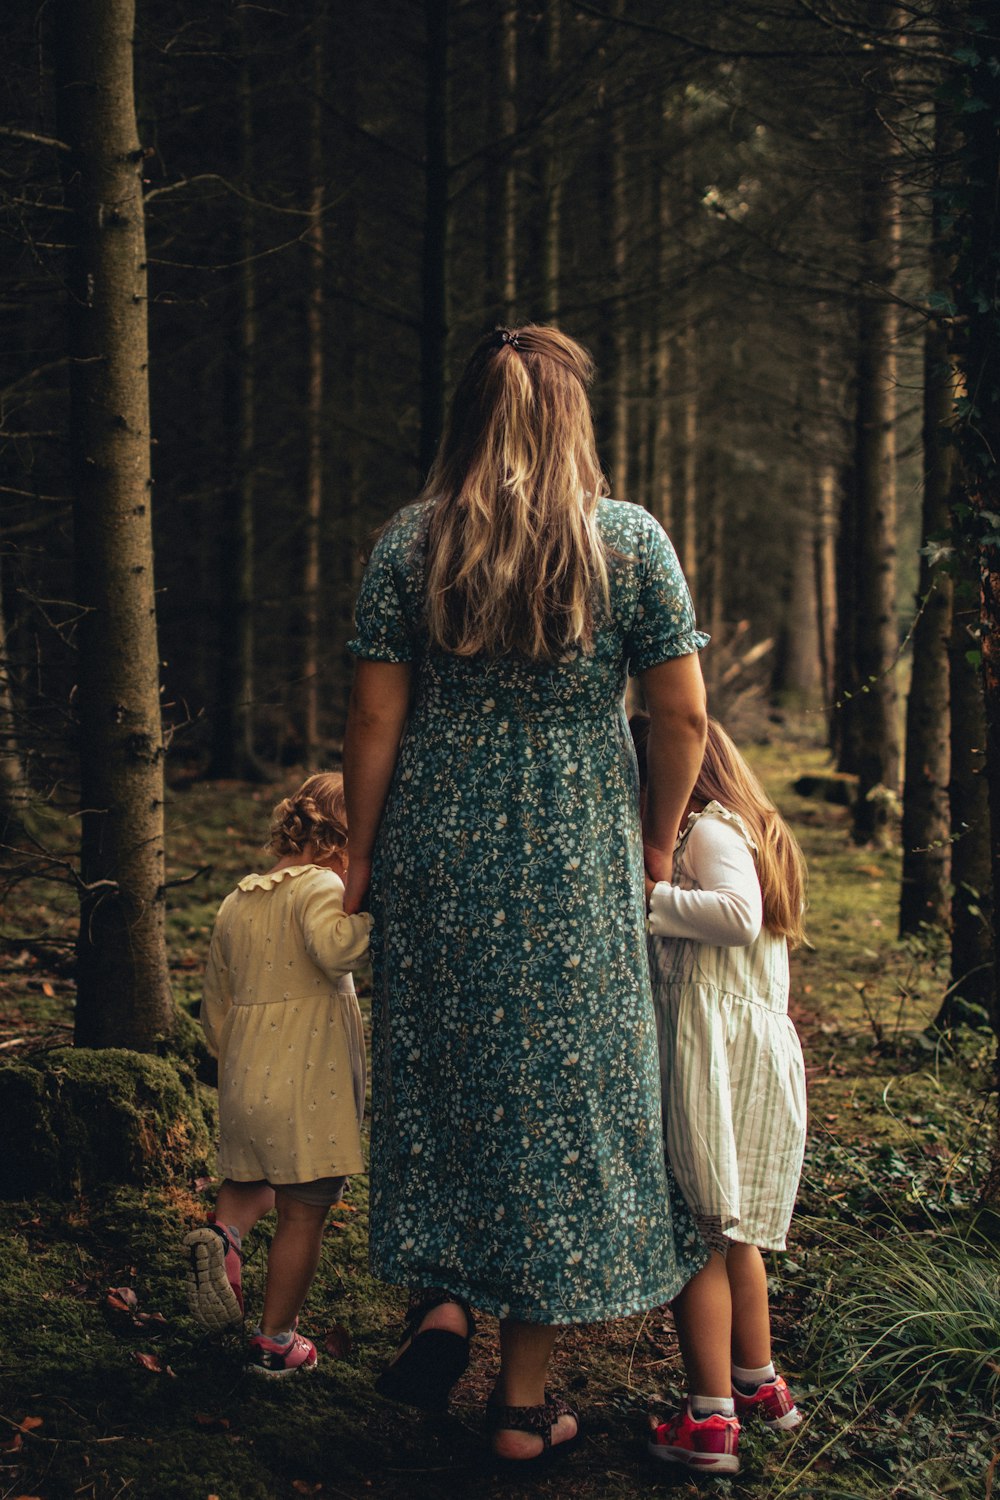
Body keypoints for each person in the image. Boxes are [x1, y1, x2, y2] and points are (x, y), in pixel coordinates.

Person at [342, 324, 709, 1469]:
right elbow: (683, 715)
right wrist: (655, 842)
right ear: (571, 422)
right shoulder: (628, 545)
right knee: (555, 1111)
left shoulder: (407, 546)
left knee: (447, 1080)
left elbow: (373, 719)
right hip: (571, 857)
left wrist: (360, 854)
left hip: (438, 848)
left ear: (468, 418)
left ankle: (442, 1305)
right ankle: (519, 1404)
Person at [631, 714, 807, 1477]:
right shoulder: (748, 826)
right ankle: (757, 1382)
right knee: (732, 1232)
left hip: (718, 1055)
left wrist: (650, 897)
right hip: (742, 1047)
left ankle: (709, 1421)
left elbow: (736, 919)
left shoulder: (707, 829)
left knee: (696, 1232)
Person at [183, 773, 371, 1377]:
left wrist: (237, 1058)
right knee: (304, 1209)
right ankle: (276, 1340)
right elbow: (336, 952)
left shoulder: (238, 900)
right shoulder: (320, 887)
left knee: (254, 1180)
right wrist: (369, 910)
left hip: (245, 1078)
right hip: (307, 1084)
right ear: (342, 842)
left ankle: (227, 1238)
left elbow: (215, 1004)